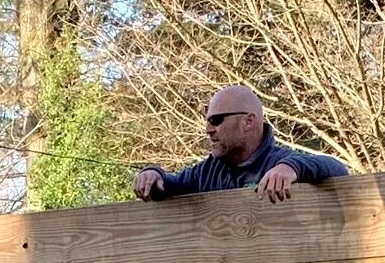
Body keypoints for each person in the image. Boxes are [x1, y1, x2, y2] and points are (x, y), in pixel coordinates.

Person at [131, 85, 349, 203]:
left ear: (248, 121)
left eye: (216, 120)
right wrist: (153, 174)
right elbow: (171, 183)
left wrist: (291, 168)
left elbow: (338, 169)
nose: (208, 129)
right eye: (207, 121)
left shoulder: (279, 161)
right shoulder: (208, 171)